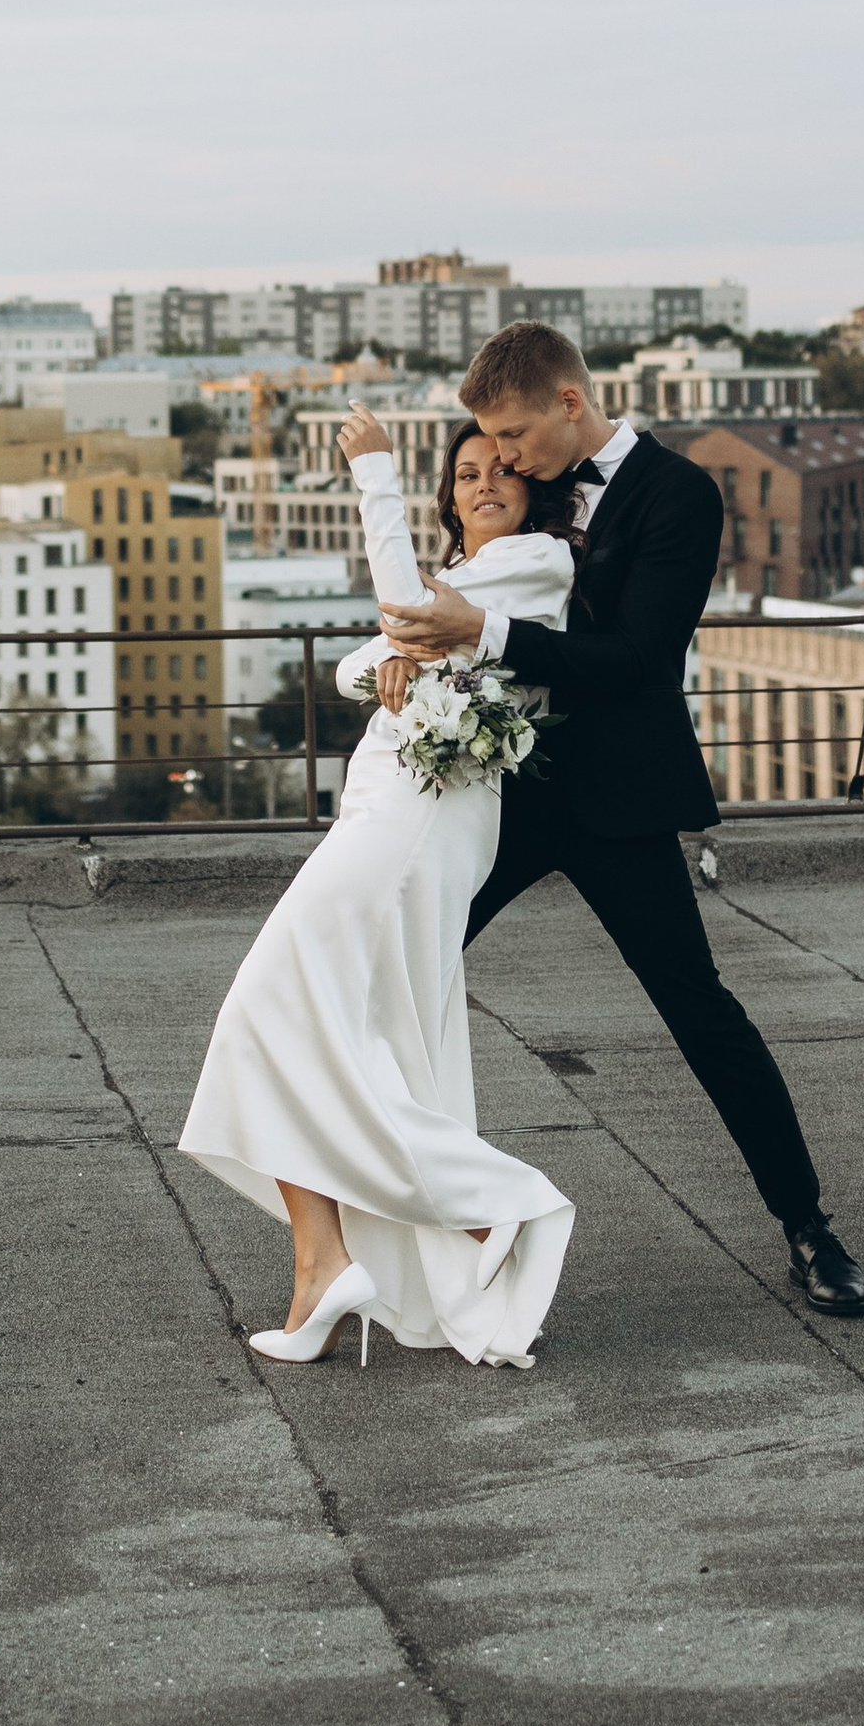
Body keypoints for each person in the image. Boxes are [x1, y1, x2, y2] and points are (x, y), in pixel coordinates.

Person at [377, 321, 864, 1315]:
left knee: (700, 1013)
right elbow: (459, 583)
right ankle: (383, 1223)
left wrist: (482, 628)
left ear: (570, 402)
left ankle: (808, 1228)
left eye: (512, 434)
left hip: (616, 798)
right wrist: (415, 652)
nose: (499, 459)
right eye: (490, 442)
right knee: (389, 980)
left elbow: (640, 658)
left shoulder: (677, 493)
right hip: (497, 791)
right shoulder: (532, 484)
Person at [178, 411, 582, 1368]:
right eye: (467, 474)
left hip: (421, 821)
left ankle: (491, 1205)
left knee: (270, 1013)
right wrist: (399, 651)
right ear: (451, 498)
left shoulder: (538, 564)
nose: (484, 483)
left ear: (532, 491)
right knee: (312, 1033)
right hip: (384, 810)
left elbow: (399, 618)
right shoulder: (466, 583)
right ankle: (323, 1265)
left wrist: (371, 474)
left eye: (502, 471)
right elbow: (365, 662)